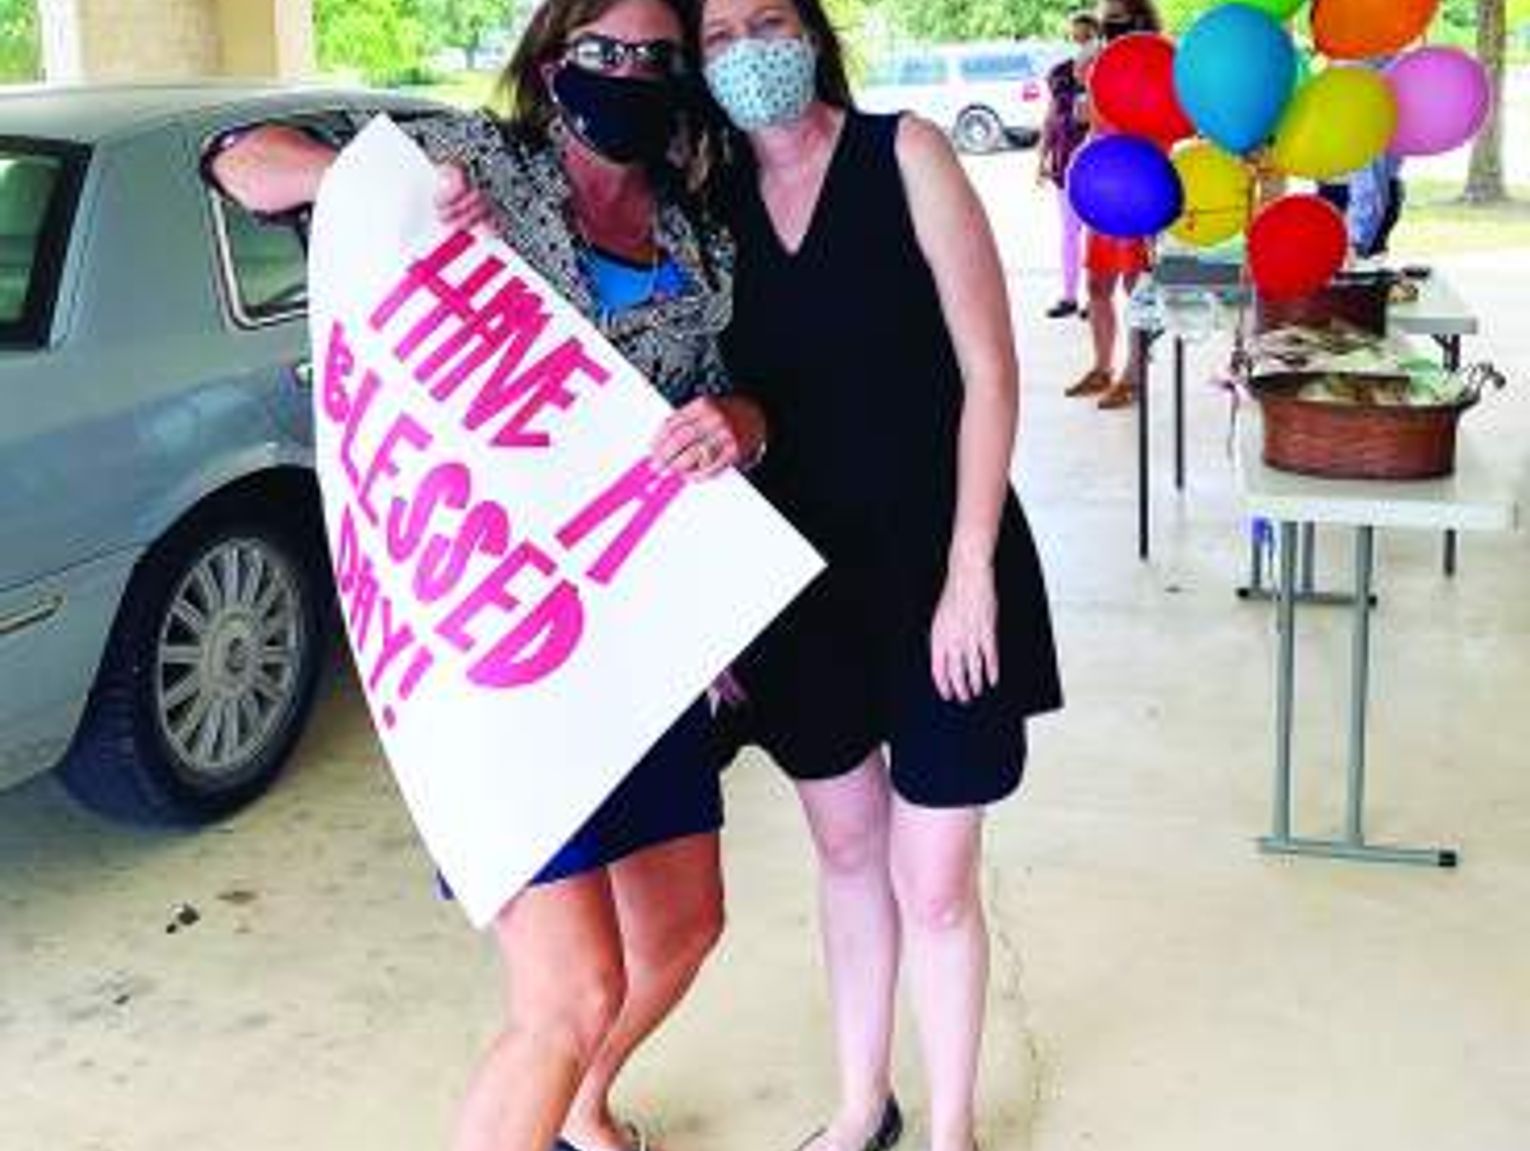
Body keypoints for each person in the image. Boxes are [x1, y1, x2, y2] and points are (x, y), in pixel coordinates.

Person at [210, 3, 768, 1150]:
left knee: (686, 926)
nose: (630, 75)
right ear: (553, 60)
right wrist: (364, 186)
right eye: (603, 51)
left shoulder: (696, 234)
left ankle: (576, 1108)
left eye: (657, 59)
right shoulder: (479, 164)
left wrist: (742, 424)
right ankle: (553, 1096)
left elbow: (735, 397)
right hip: (497, 648)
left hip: (637, 643)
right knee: (567, 992)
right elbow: (235, 164)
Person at [694, 2, 1064, 1149]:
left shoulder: (906, 152)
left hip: (939, 564)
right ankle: (865, 1103)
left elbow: (990, 369)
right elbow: (695, 422)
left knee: (939, 875)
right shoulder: (709, 211)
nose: (747, 51)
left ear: (808, 32)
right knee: (848, 852)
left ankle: (950, 1126)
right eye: (716, 37)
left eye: (767, 22)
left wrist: (970, 572)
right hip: (801, 592)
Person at [1067, 0, 1164, 410]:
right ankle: (1102, 366)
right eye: (1108, 22)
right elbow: (1090, 115)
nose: (1112, 28)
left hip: (1140, 184)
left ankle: (1134, 375)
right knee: (1097, 285)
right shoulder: (1099, 63)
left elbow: (1167, 124)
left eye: (1121, 21)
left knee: (1135, 288)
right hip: (1103, 186)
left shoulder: (1158, 60)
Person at [1037, 12, 1101, 320]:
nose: (1081, 42)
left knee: (1094, 232)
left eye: (1087, 36)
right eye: (1076, 36)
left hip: (1095, 165)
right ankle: (1069, 294)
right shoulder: (1060, 74)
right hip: (1065, 162)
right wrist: (1041, 158)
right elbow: (1050, 118)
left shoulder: (1104, 74)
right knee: (1069, 232)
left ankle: (1095, 298)